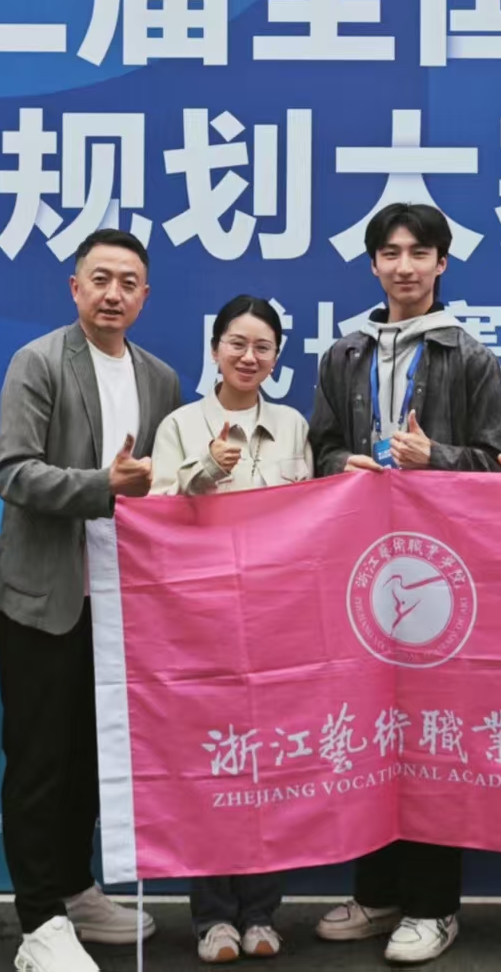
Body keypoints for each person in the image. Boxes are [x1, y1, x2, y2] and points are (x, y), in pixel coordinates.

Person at [308, 202, 501, 965]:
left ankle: (433, 905)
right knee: (366, 728)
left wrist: (436, 459)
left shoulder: (469, 355)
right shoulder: (343, 354)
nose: (404, 266)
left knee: (433, 735)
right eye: (389, 252)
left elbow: (498, 462)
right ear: (371, 264)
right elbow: (320, 449)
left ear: (441, 264)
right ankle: (377, 892)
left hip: (440, 574)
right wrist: (344, 464)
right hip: (361, 567)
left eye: (418, 252)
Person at [0, 230, 183, 972]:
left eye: (128, 282)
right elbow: (14, 473)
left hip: (124, 602)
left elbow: (168, 483)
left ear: (145, 295)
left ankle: (75, 888)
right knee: (39, 759)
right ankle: (38, 922)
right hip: (47, 597)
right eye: (99, 279)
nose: (113, 294)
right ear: (74, 287)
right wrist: (104, 485)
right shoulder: (38, 361)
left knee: (92, 755)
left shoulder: (160, 378)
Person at [149, 295, 314, 962]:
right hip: (199, 623)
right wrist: (208, 468)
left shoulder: (293, 425)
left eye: (263, 346)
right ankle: (213, 916)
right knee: (209, 765)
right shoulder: (179, 425)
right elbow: (156, 516)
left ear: (276, 357)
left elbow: (312, 517)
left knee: (269, 768)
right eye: (237, 344)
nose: (249, 357)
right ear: (214, 348)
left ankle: (261, 910)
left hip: (277, 623)